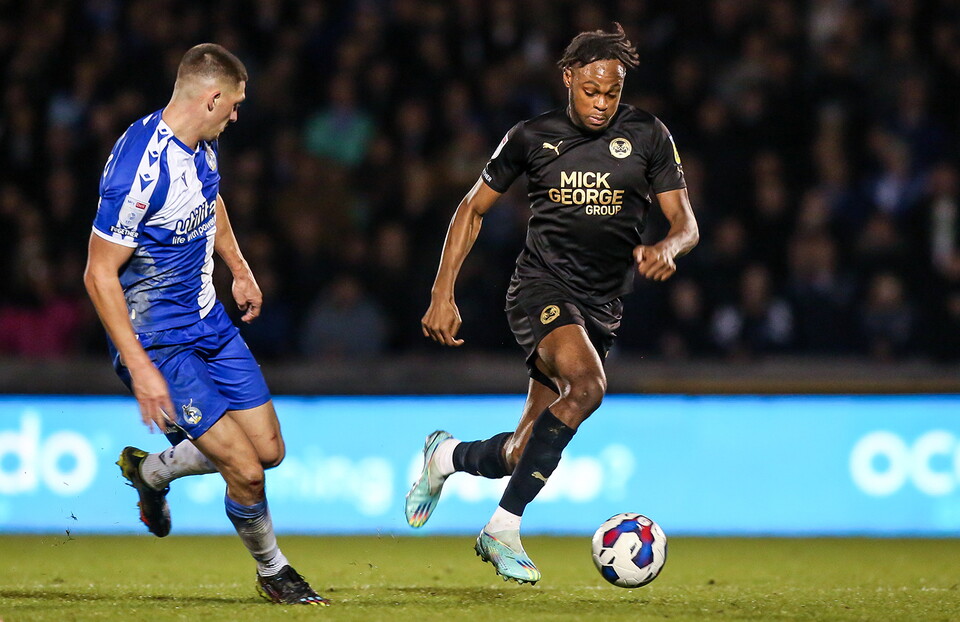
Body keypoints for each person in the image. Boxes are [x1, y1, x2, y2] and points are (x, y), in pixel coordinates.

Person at [405, 24, 699, 584]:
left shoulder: (649, 135)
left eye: (611, 92)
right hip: (541, 289)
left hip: (602, 307)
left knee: (521, 452)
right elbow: (471, 210)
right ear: (568, 78)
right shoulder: (530, 137)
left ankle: (445, 456)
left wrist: (668, 245)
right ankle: (502, 530)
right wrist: (443, 293)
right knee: (587, 389)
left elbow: (686, 223)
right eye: (591, 90)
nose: (601, 103)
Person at [83, 43, 327, 606]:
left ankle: (153, 473)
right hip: (159, 343)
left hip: (208, 322)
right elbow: (98, 274)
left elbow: (209, 206)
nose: (237, 115)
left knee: (268, 450)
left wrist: (239, 269)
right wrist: (141, 370)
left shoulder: (204, 146)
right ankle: (274, 570)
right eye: (235, 104)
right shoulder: (137, 168)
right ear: (212, 97)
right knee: (246, 471)